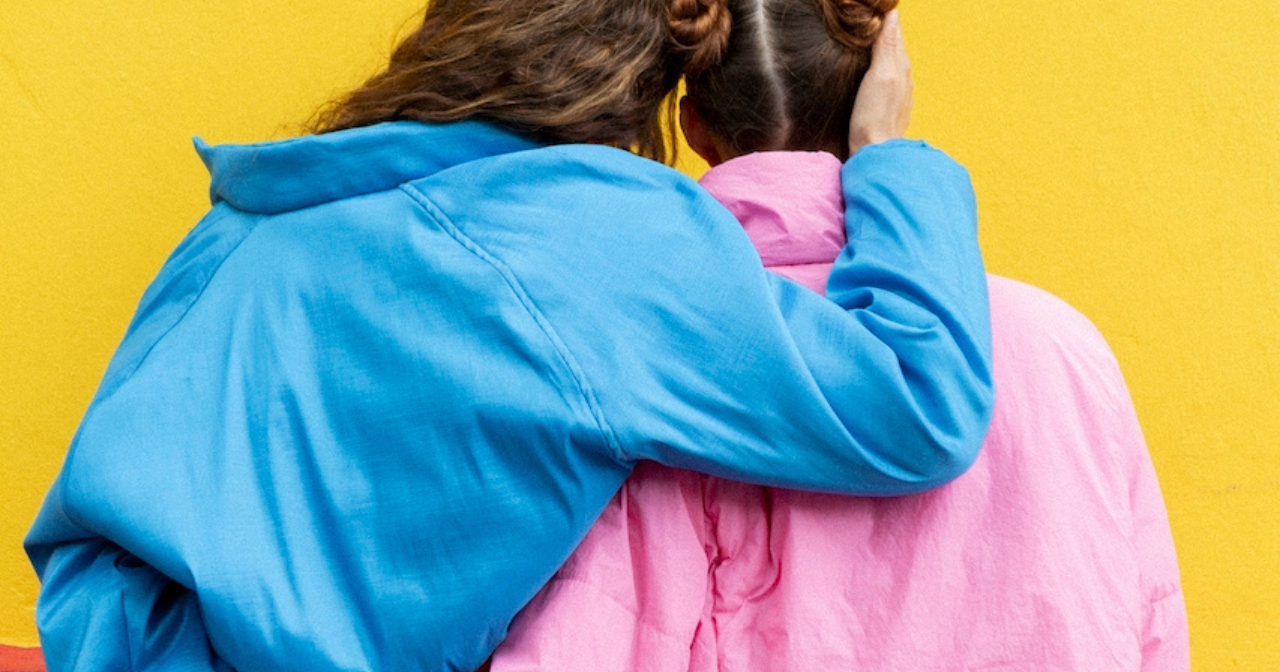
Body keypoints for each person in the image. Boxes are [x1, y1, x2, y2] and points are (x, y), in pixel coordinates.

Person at [23, 0, 993, 670]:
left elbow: (84, 526)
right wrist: (892, 156)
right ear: (666, 98)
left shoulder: (257, 209)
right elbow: (915, 398)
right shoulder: (594, 237)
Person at [489, 2, 1189, 671]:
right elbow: (1149, 628)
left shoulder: (660, 366)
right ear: (879, 93)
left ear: (693, 125)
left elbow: (599, 645)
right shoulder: (1064, 349)